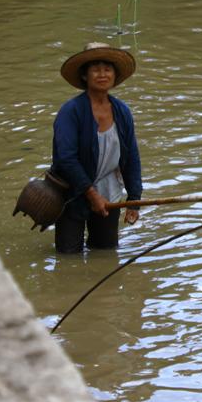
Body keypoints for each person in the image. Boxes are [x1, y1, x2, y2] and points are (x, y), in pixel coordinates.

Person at [51, 41, 142, 253]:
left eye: (107, 69)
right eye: (96, 69)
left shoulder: (122, 112)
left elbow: (132, 157)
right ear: (85, 75)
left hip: (108, 194)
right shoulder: (71, 112)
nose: (102, 74)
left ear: (114, 75)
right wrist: (92, 195)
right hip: (72, 194)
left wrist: (134, 199)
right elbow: (66, 159)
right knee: (68, 256)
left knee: (105, 253)